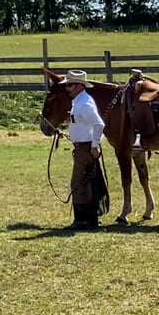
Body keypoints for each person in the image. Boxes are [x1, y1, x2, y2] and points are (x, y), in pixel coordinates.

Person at [62, 70, 106, 230]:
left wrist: (94, 145)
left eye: (70, 85)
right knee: (86, 183)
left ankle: (83, 220)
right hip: (82, 147)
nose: (67, 89)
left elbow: (99, 124)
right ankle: (88, 218)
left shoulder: (84, 104)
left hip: (85, 148)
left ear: (79, 86)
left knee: (79, 183)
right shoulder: (80, 102)